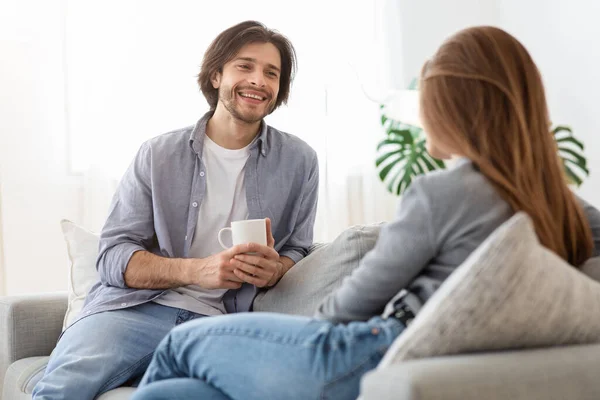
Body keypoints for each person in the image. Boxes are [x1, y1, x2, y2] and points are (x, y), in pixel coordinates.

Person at [130, 26, 600, 400]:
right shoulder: (564, 205)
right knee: (182, 393)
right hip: (411, 356)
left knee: (178, 344)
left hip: (358, 354)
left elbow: (343, 313)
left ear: (455, 106)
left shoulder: (442, 193)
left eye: (426, 98)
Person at [33, 20, 319, 400]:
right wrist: (200, 271)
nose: (259, 81)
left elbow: (298, 249)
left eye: (272, 73)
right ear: (217, 75)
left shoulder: (300, 161)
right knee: (60, 390)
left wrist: (277, 269)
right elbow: (113, 257)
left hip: (222, 324)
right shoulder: (158, 155)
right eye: (245, 66)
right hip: (133, 312)